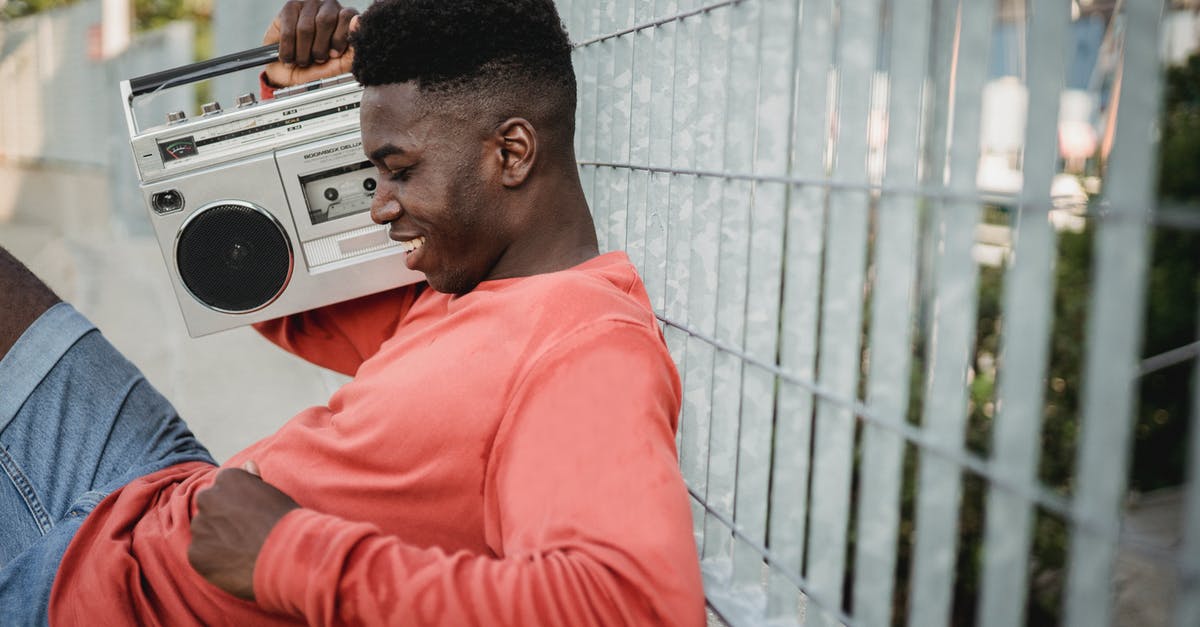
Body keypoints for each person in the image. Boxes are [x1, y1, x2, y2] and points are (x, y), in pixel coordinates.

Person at [0, 0, 705, 624]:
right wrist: (297, 103)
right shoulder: (463, 286)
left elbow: (632, 606)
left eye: (398, 170)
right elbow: (269, 292)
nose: (379, 205)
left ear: (511, 152)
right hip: (146, 499)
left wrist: (287, 553)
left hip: (118, 595)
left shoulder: (584, 350)